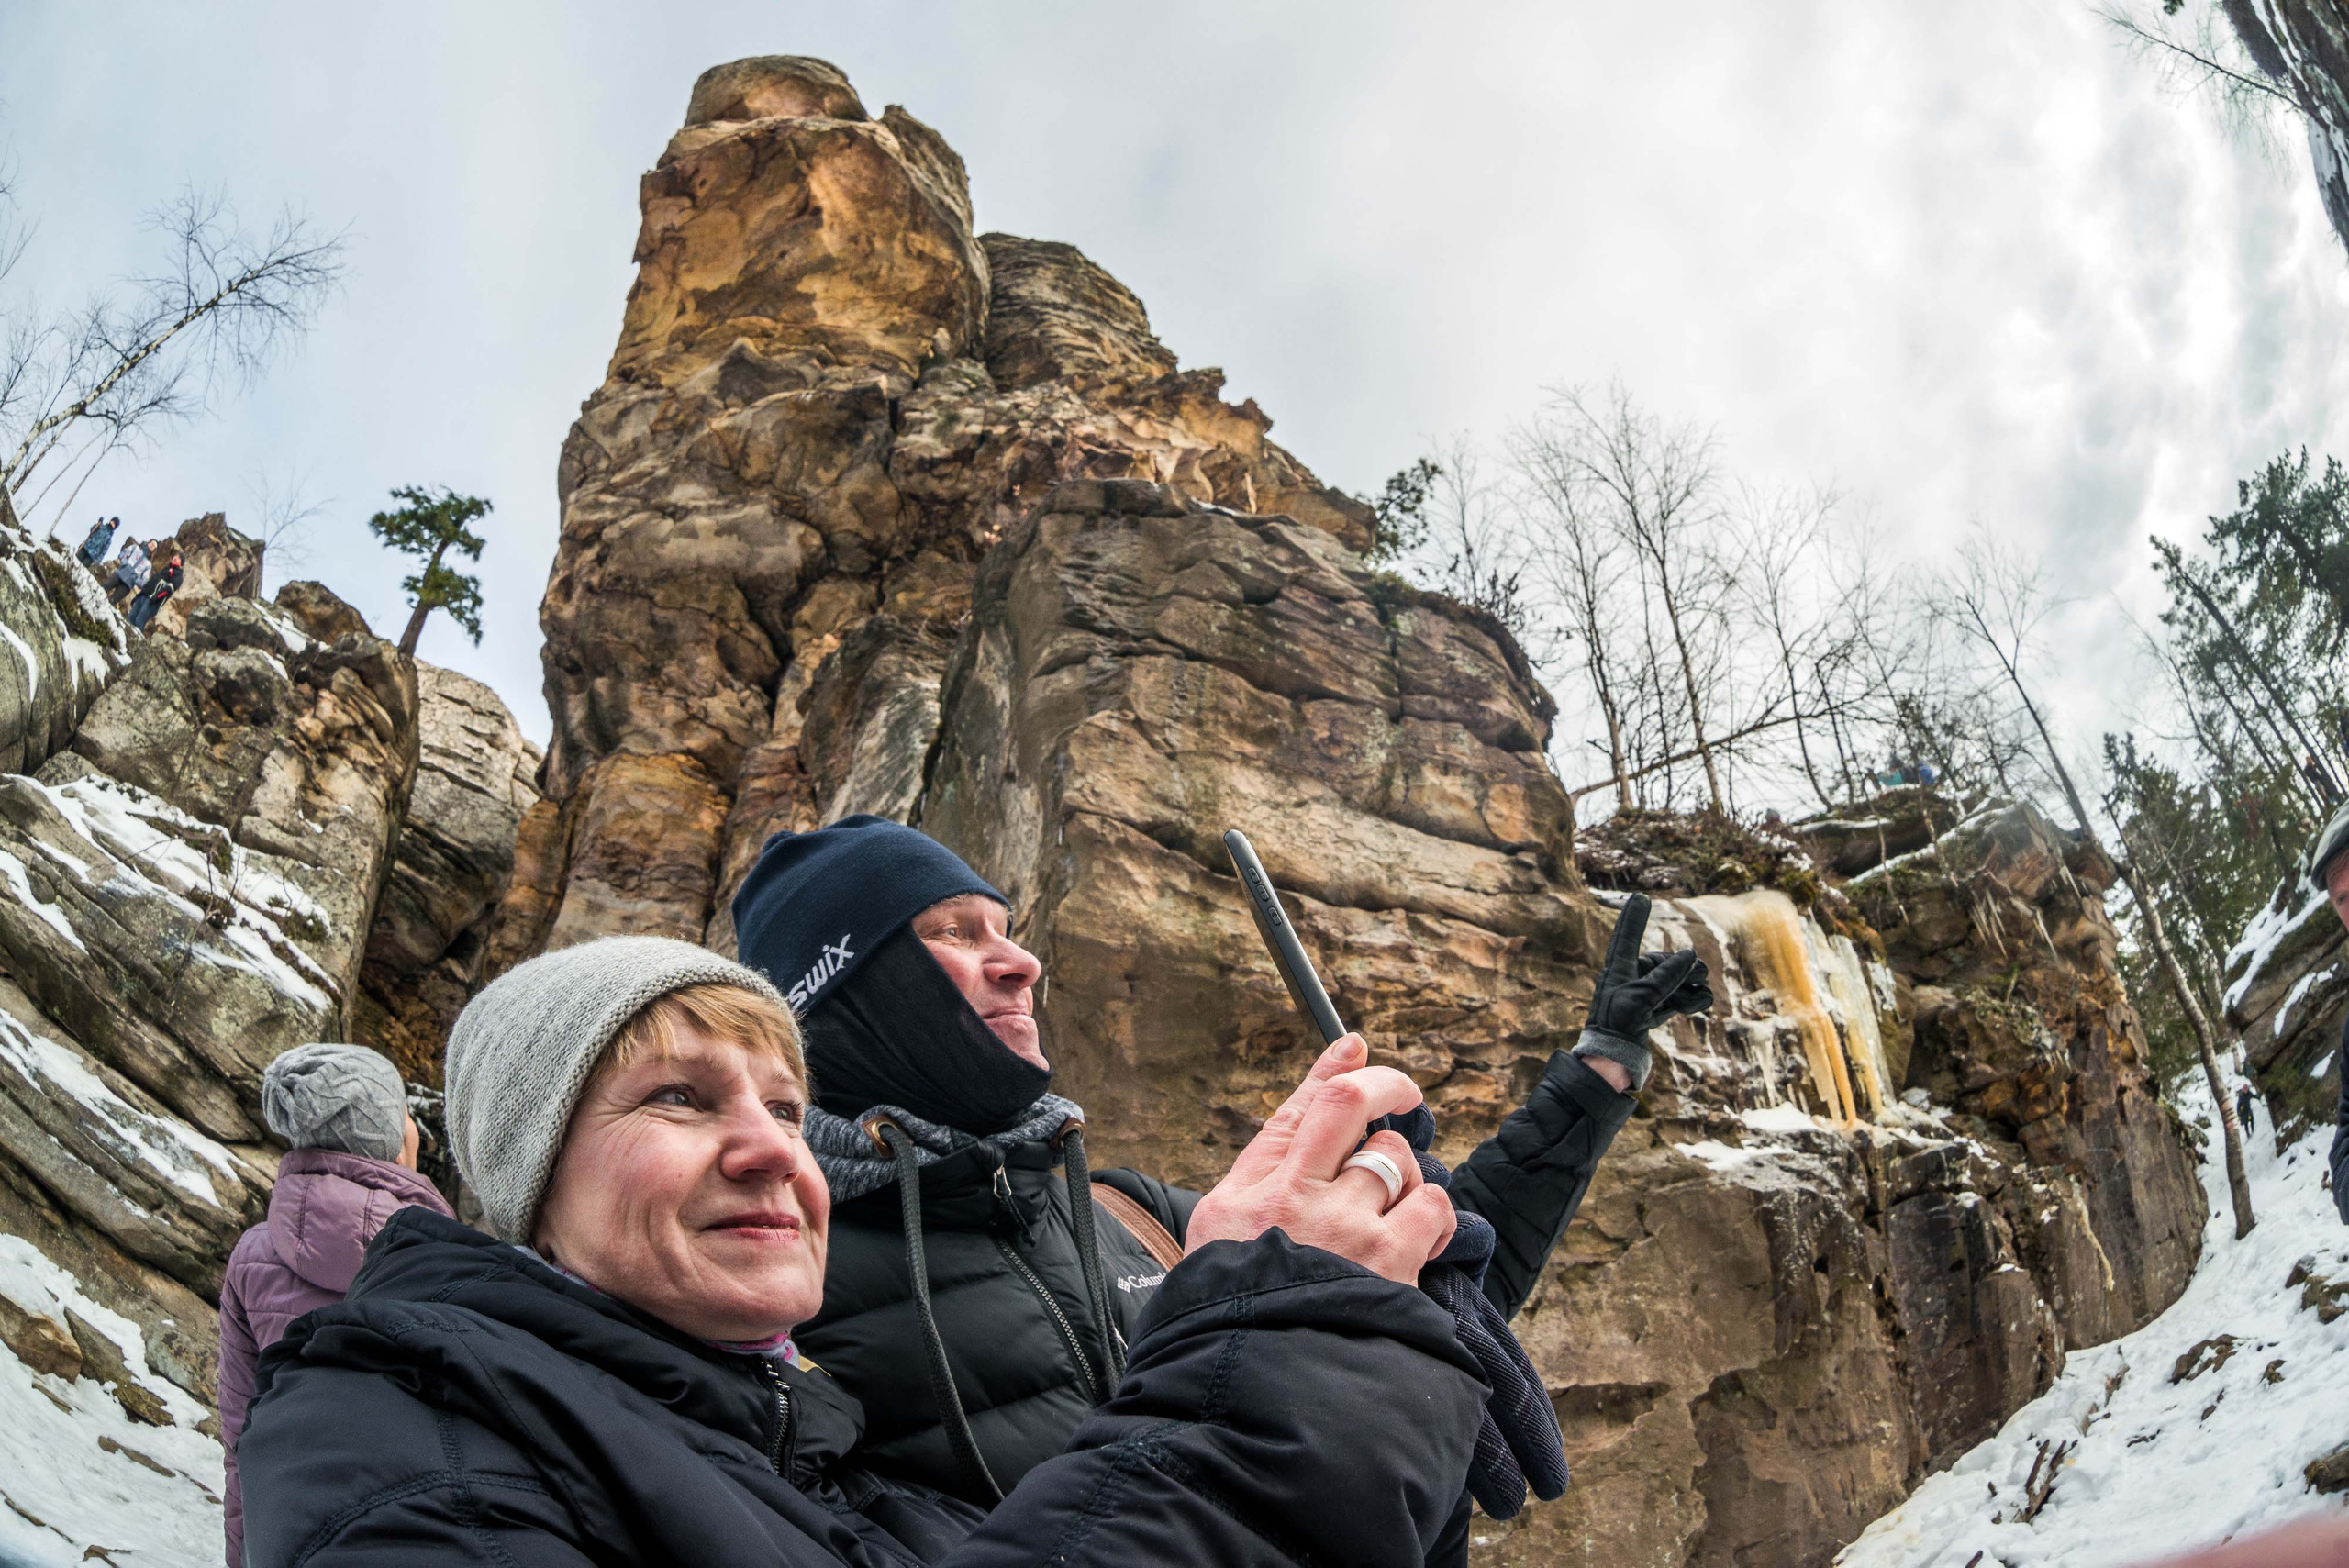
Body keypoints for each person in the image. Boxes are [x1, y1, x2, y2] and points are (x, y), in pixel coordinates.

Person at [237, 936, 1487, 1567]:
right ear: (526, 1181)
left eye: (787, 1109)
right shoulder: (393, 1439)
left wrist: (1384, 1396)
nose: (772, 1149)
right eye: (678, 1098)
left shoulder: (821, 1454)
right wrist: (1270, 1384)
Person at [730, 817, 1709, 1522]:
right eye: (953, 931)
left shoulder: (1126, 1211)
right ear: (839, 989)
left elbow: (1393, 1282)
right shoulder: (773, 1306)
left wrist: (1595, 1073)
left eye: (1005, 924)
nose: (1019, 958)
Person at [217, 1043, 451, 1568]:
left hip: (288, 1535)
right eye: (404, 1116)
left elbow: (241, 1441)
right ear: (391, 1143)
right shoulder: (442, 1256)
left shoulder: (254, 1256)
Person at [127, 551, 181, 633]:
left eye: (179, 558)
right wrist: (138, 596)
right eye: (175, 556)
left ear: (181, 563)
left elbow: (169, 589)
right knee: (130, 618)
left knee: (139, 622)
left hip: (152, 601)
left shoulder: (178, 575)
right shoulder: (165, 570)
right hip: (143, 595)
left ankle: (133, 642)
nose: (175, 558)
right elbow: (150, 583)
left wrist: (157, 596)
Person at [106, 536, 150, 606]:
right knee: (104, 587)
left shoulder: (148, 565)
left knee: (112, 601)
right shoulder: (135, 548)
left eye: (154, 546)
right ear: (148, 543)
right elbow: (123, 553)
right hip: (119, 574)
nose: (152, 546)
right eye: (152, 543)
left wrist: (135, 579)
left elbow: (144, 582)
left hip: (128, 585)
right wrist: (125, 563)